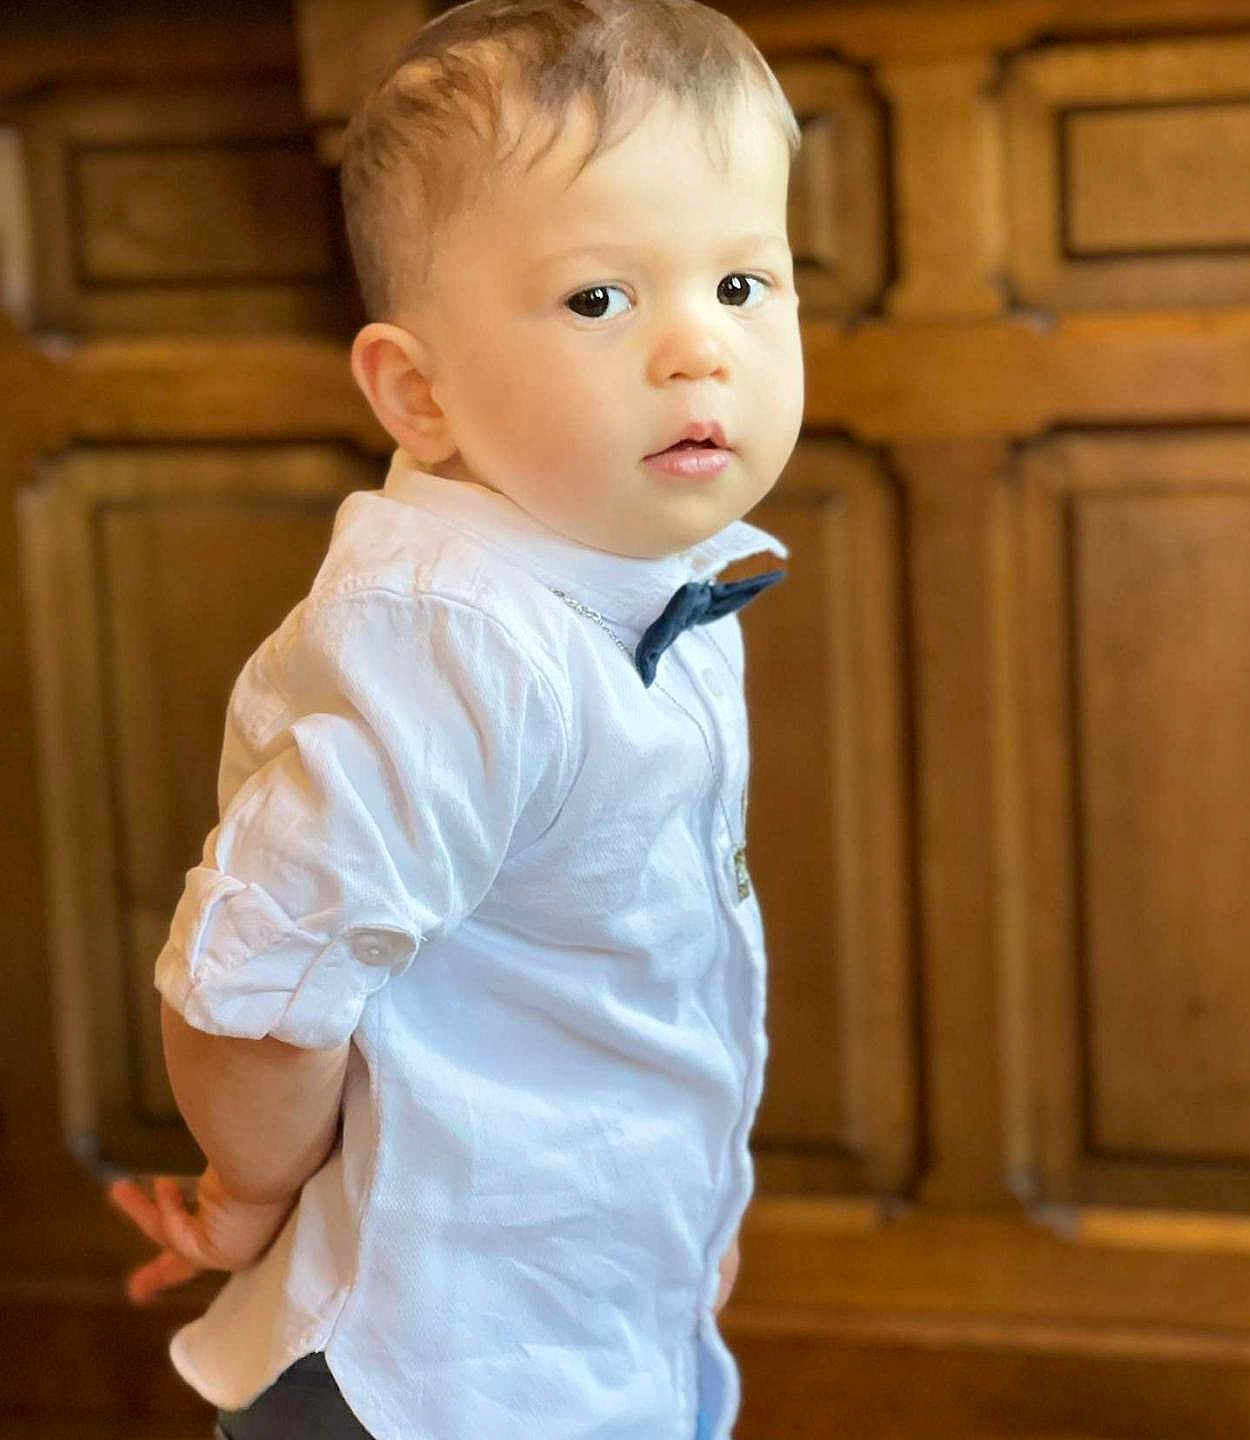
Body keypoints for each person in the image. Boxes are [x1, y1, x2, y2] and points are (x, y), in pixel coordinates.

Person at [103, 2, 805, 1436]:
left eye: (743, 284)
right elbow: (256, 980)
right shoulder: (450, 642)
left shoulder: (639, 572)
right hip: (439, 1368)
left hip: (581, 1311)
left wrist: (669, 1224)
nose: (698, 351)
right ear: (417, 392)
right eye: (601, 299)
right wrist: (248, 1188)